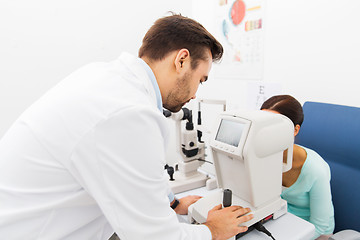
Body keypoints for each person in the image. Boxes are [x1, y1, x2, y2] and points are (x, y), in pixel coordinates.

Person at [0, 14, 253, 240]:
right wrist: (212, 230)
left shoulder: (111, 81)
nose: (196, 93)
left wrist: (173, 203)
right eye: (201, 79)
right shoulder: (129, 113)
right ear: (182, 60)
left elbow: (140, 168)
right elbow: (156, 236)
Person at [261, 95, 335, 239]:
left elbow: (320, 225)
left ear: (295, 130)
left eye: (274, 126)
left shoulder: (316, 169)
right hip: (280, 221)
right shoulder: (263, 156)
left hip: (314, 232)